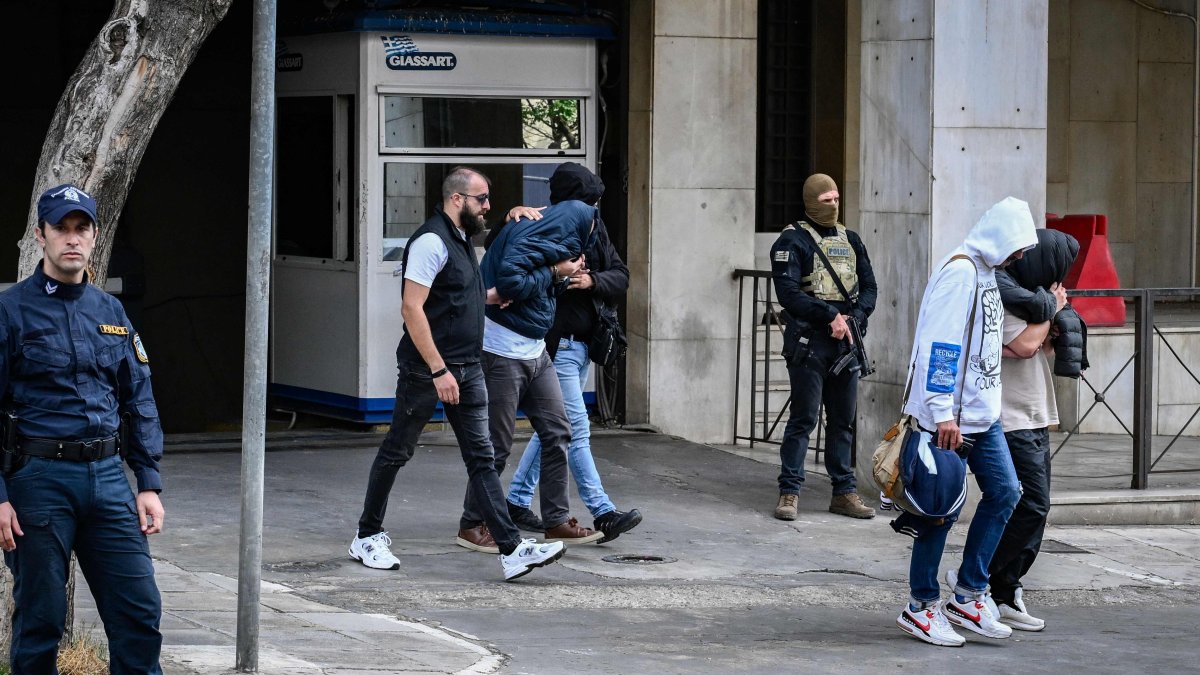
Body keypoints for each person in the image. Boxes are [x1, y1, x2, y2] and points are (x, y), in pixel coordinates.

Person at [350, 167, 565, 581]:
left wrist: (487, 295)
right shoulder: (431, 240)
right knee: (397, 450)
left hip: (467, 369)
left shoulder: (463, 238)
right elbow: (413, 308)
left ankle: (512, 550)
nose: (488, 206)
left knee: (482, 459)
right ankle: (367, 535)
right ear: (456, 199)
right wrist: (438, 370)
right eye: (481, 199)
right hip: (429, 370)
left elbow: (450, 296)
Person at [0, 184, 165, 673]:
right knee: (41, 619)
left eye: (82, 229)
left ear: (95, 235)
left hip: (109, 479)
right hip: (39, 481)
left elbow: (138, 397)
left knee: (139, 612)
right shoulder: (10, 312)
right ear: (41, 235)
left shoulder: (109, 311)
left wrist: (148, 480)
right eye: (61, 229)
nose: (72, 239)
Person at [895, 196, 1036, 647]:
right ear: (999, 238)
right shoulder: (960, 272)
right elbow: (941, 345)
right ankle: (921, 606)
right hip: (950, 421)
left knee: (1006, 492)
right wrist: (941, 413)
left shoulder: (988, 274)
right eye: (1016, 248)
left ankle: (970, 593)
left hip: (981, 416)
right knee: (939, 511)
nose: (1019, 257)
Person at [501, 163, 643, 542]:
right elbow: (510, 260)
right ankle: (603, 511)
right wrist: (558, 273)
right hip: (557, 346)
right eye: (585, 203)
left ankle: (515, 499)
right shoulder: (540, 223)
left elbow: (622, 275)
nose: (591, 212)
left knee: (553, 429)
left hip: (584, 346)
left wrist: (591, 279)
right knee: (575, 429)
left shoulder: (595, 228)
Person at [457, 198, 603, 549]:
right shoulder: (527, 230)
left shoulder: (551, 239)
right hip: (501, 351)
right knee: (496, 444)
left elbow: (531, 286)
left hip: (536, 350)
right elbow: (509, 280)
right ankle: (471, 524)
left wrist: (563, 276)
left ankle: (555, 521)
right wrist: (554, 273)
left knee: (558, 432)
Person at [984, 228, 1080, 631]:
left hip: (1035, 413)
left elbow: (1037, 344)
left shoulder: (1030, 302)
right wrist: (1051, 311)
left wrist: (1049, 325)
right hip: (1011, 416)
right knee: (1030, 503)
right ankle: (982, 581)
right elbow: (1023, 346)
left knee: (1036, 507)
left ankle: (1005, 589)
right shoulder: (1009, 299)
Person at [769, 173, 878, 521]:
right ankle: (790, 492)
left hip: (845, 342)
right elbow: (788, 294)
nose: (833, 205)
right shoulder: (792, 241)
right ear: (812, 201)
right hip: (810, 341)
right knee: (804, 417)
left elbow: (870, 288)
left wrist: (853, 319)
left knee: (843, 421)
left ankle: (844, 492)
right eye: (826, 200)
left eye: (836, 199)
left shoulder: (852, 239)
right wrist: (829, 314)